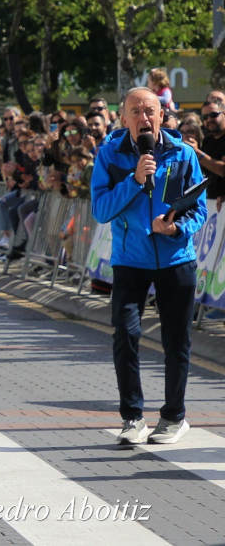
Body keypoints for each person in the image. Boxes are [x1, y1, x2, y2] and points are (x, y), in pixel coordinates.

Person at [92, 87, 206, 446]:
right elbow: (101, 210)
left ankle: (174, 416)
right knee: (125, 336)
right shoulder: (109, 155)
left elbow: (199, 208)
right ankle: (132, 417)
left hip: (176, 259)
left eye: (150, 111)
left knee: (177, 341)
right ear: (123, 117)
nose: (144, 117)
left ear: (162, 115)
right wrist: (135, 181)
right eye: (136, 111)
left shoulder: (184, 153)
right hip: (130, 260)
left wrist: (176, 228)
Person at [183, 91, 225, 213]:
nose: (209, 120)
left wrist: (197, 153)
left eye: (213, 115)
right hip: (211, 207)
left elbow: (222, 170)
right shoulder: (207, 141)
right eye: (205, 117)